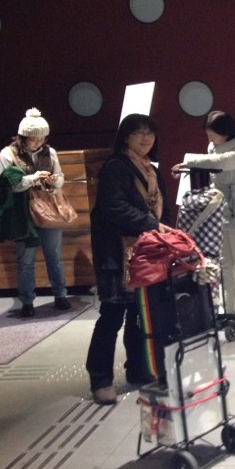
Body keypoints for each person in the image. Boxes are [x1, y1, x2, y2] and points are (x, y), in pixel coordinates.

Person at [85, 114, 173, 405]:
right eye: (139, 133)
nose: (146, 138)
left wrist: (163, 231)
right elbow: (114, 207)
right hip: (116, 254)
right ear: (126, 137)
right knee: (112, 315)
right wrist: (153, 225)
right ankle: (100, 380)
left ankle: (137, 369)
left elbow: (164, 209)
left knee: (140, 313)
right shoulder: (115, 168)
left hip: (146, 252)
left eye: (150, 133)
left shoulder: (152, 170)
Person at [172, 110, 235, 327]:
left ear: (225, 131)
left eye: (212, 134)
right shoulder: (212, 146)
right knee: (225, 264)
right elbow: (213, 161)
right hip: (221, 209)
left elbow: (224, 161)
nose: (210, 139)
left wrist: (190, 162)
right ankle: (228, 311)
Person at [0, 107, 71, 317]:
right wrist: (32, 178)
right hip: (22, 213)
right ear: (22, 136)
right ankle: (27, 301)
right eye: (33, 139)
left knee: (54, 255)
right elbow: (4, 183)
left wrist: (54, 182)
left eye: (42, 139)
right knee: (26, 259)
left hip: (48, 209)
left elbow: (60, 177)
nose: (38, 143)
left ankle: (60, 295)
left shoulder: (50, 152)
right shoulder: (8, 154)